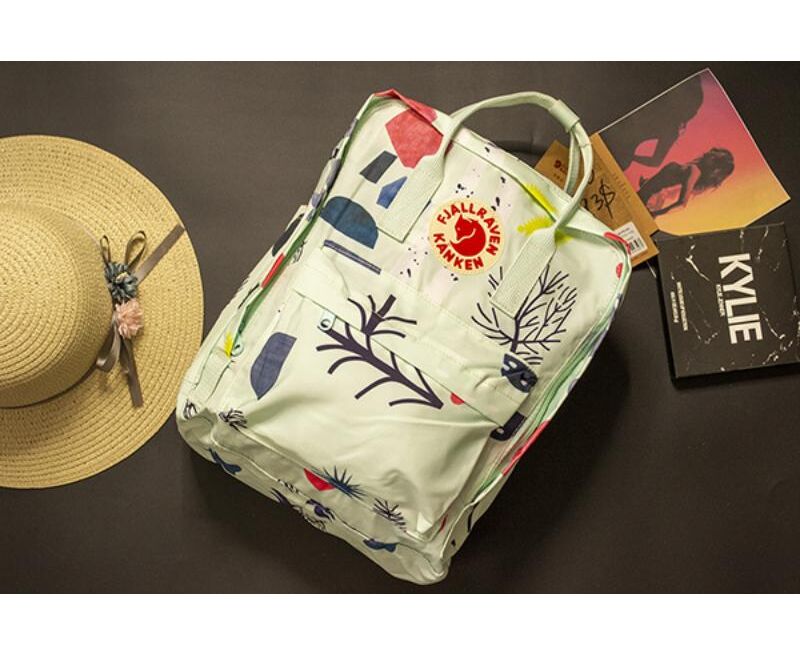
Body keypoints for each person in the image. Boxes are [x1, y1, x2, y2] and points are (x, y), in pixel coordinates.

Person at [602, 74, 704, 171]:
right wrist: (632, 157)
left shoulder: (658, 106)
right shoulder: (671, 130)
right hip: (620, 153)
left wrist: (631, 157)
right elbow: (655, 162)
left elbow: (655, 162)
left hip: (611, 134)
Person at [637, 147, 735, 217]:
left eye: (713, 155)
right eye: (712, 151)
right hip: (643, 201)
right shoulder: (693, 172)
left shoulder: (694, 171)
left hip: (643, 204)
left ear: (714, 166)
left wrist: (654, 214)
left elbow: (681, 204)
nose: (708, 153)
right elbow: (665, 188)